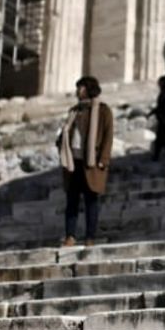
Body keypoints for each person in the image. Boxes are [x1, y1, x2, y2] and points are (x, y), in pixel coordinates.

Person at [55, 76, 114, 247]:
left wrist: (103, 160)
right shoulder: (74, 111)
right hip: (73, 163)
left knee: (91, 202)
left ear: (88, 88)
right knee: (71, 202)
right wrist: (60, 142)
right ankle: (70, 236)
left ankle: (90, 237)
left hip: (92, 163)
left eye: (80, 87)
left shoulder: (103, 111)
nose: (77, 91)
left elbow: (108, 137)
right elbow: (67, 132)